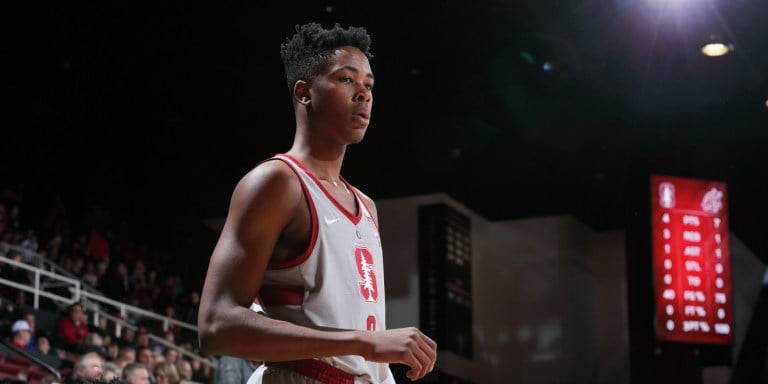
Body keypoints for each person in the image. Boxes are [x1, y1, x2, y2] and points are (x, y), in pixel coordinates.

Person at [197, 22, 437, 383]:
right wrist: (364, 343)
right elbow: (216, 325)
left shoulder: (366, 206)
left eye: (369, 85)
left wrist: (371, 352)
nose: (364, 94)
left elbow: (363, 339)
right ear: (304, 91)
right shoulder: (277, 182)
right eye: (347, 80)